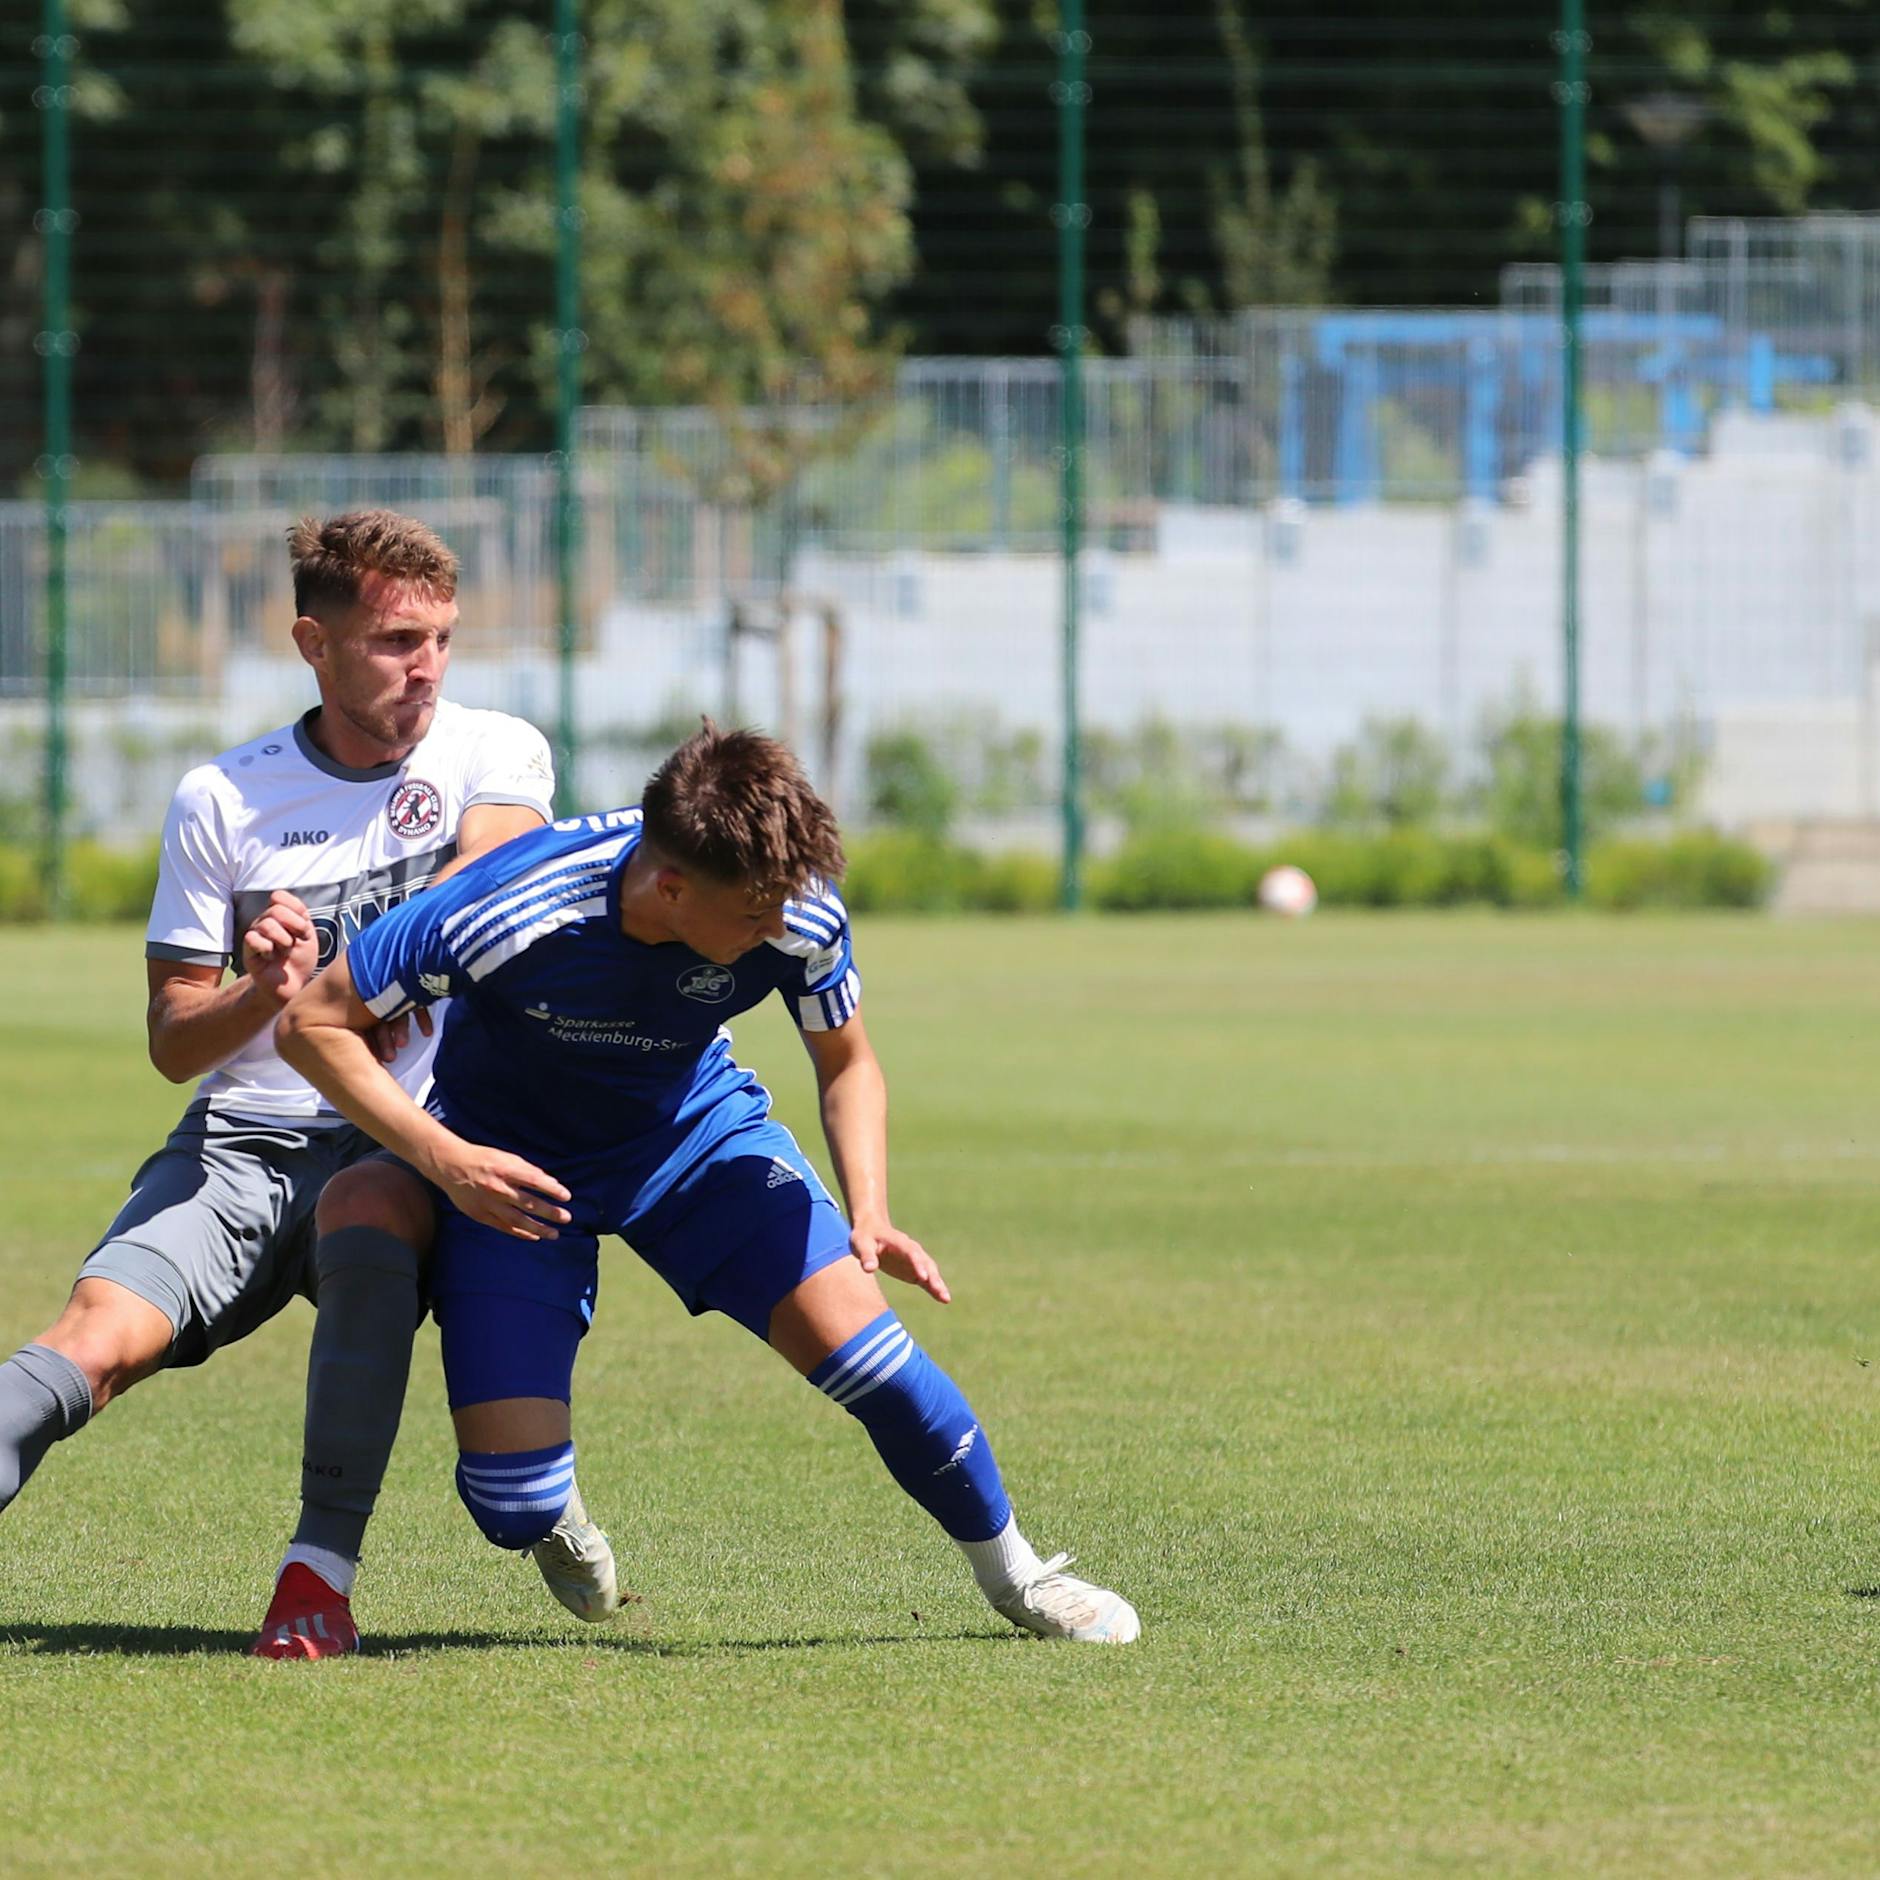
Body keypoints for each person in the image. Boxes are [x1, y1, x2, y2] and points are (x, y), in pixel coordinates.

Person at [274, 721, 1140, 1643]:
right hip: (512, 1168)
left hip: (694, 1142)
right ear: (673, 885)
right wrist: (444, 1158)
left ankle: (1019, 1576)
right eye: (753, 916)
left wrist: (871, 1211)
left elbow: (847, 1063)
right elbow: (313, 1024)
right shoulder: (512, 902)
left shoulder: (796, 909)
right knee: (510, 1504)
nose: (776, 929)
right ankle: (550, 1506)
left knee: (873, 1360)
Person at [0, 509, 618, 1661]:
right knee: (91, 1338)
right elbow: (176, 1041)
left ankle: (317, 1574)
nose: (423, 663)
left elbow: (489, 878)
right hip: (240, 1143)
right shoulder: (220, 801)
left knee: (369, 1205)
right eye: (392, 640)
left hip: (412, 1140)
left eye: (439, 636)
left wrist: (343, 975)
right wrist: (261, 990)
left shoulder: (495, 750)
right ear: (312, 643)